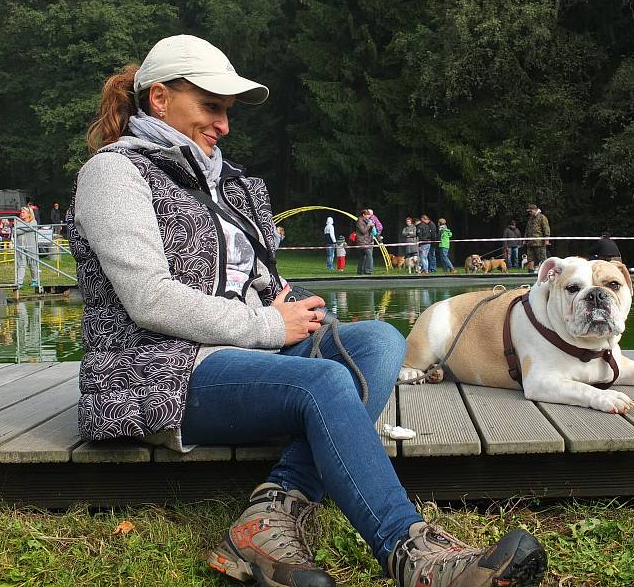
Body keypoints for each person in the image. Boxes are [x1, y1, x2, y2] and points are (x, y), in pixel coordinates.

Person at [72, 34, 545, 587]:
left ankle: (268, 516)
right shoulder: (113, 174)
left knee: (380, 341)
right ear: (158, 99)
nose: (224, 124)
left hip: (245, 349)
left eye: (227, 112)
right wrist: (270, 324)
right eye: (211, 106)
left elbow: (263, 280)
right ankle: (414, 556)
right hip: (159, 371)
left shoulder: (233, 185)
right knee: (323, 382)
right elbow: (149, 299)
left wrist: (295, 310)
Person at [14, 207, 39, 287]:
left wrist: (22, 228)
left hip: (31, 246)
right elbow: (16, 231)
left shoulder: (33, 221)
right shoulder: (18, 222)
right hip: (20, 246)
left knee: (32, 263)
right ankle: (19, 282)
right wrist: (27, 228)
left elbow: (32, 227)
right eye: (21, 212)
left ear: (29, 214)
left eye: (23, 212)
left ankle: (35, 280)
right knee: (21, 263)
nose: (21, 214)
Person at [524, 203, 550, 272]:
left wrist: (547, 239)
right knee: (530, 258)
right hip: (530, 242)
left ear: (535, 210)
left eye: (530, 211)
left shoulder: (542, 217)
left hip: (539, 243)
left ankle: (545, 272)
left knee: (542, 259)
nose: (529, 213)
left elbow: (546, 228)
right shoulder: (530, 218)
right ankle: (530, 272)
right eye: (528, 211)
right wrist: (525, 239)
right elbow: (527, 229)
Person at [356, 208, 375, 275]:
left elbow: (368, 231)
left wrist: (372, 226)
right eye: (367, 215)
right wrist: (369, 225)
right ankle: (368, 270)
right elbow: (363, 231)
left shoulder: (366, 221)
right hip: (362, 242)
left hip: (366, 241)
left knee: (362, 256)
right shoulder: (360, 221)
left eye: (369, 215)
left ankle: (360, 271)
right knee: (369, 255)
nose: (369, 216)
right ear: (363, 215)